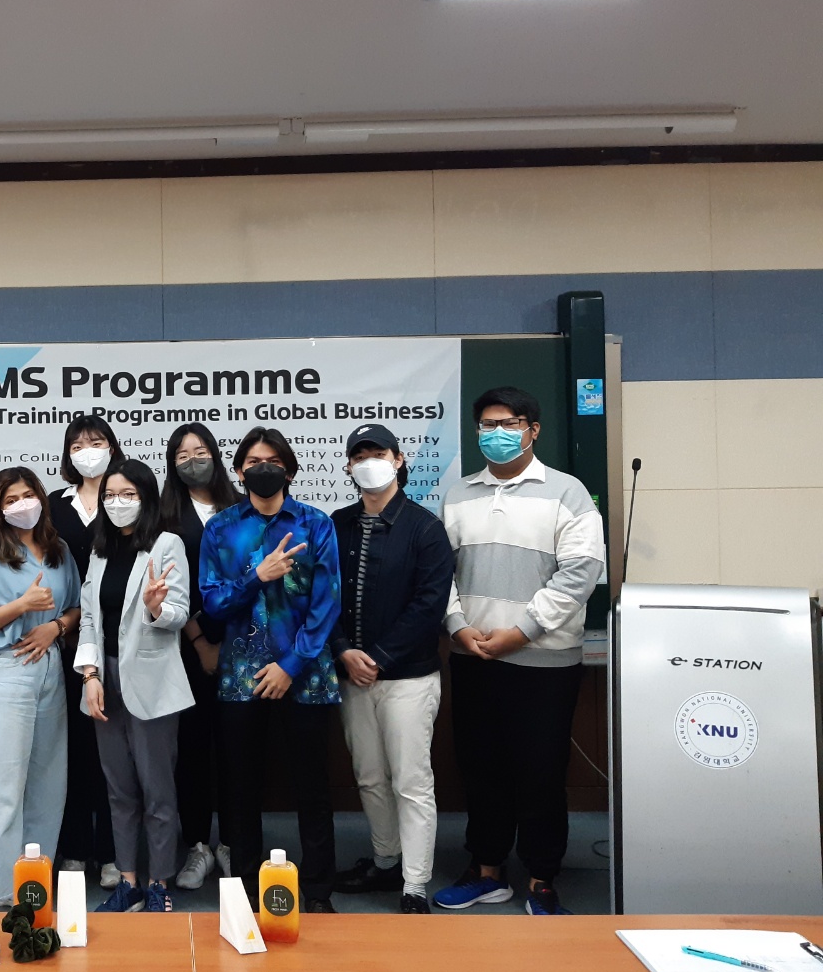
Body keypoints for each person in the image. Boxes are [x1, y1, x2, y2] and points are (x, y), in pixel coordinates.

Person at [433, 387, 605, 917]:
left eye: (508, 423)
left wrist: (522, 631)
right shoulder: (457, 494)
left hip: (544, 663)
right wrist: (458, 627)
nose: (496, 433)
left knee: (540, 772)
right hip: (473, 657)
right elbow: (439, 573)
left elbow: (581, 573)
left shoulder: (568, 492)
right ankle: (487, 871)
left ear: (533, 430)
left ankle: (541, 878)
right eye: (487, 424)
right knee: (480, 768)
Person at [199, 426, 342, 913]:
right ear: (239, 472)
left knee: (312, 788)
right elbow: (213, 603)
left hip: (305, 675)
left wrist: (291, 664)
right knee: (240, 789)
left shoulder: (315, 524)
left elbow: (327, 603)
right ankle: (244, 891)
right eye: (254, 462)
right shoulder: (221, 529)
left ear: (289, 471)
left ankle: (318, 892)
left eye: (274, 462)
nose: (264, 469)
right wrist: (255, 577)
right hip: (240, 676)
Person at [328, 424, 455, 915]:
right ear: (347, 466)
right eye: (359, 455)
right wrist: (344, 650)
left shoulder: (425, 528)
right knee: (369, 777)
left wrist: (378, 657)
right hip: (351, 676)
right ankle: (385, 862)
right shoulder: (338, 524)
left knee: (410, 781)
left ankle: (414, 884)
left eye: (378, 453)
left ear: (398, 460)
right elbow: (323, 596)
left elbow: (429, 605)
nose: (369, 463)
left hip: (408, 680)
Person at [0, 467, 81, 912]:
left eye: (28, 495)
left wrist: (55, 627)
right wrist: (21, 606)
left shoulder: (58, 549)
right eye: (10, 500)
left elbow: (75, 609)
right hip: (4, 667)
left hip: (49, 667)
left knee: (47, 783)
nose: (21, 505)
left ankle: (31, 889)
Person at [77, 459, 192, 914]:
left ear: (146, 498)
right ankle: (128, 881)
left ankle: (159, 881)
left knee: (157, 789)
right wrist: (90, 676)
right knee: (119, 788)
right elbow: (89, 617)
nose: (117, 503)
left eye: (128, 495)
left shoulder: (167, 544)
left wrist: (155, 608)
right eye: (110, 495)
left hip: (152, 682)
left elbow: (179, 614)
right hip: (104, 679)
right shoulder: (100, 549)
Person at [158, 422, 238, 890]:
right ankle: (197, 845)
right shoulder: (165, 514)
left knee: (236, 749)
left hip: (243, 648)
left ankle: (232, 843)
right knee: (191, 748)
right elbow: (168, 584)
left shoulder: (240, 506)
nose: (193, 460)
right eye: (182, 454)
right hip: (187, 649)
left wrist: (228, 642)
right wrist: (202, 643)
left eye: (200, 450)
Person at [48, 415, 121, 887]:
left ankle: (114, 850)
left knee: (114, 751)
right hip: (64, 643)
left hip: (118, 645)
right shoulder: (54, 506)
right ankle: (74, 846)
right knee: (71, 749)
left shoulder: (127, 498)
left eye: (96, 442)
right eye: (77, 445)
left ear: (112, 447)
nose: (87, 451)